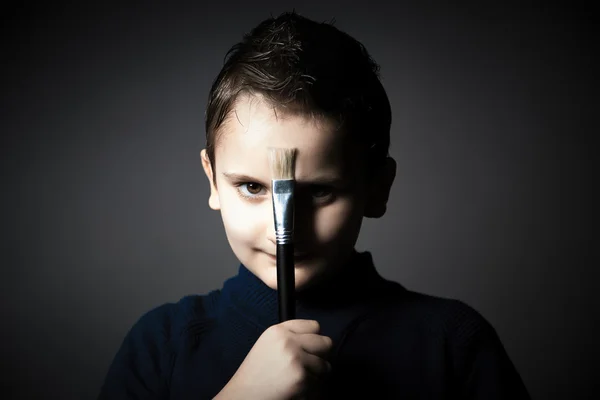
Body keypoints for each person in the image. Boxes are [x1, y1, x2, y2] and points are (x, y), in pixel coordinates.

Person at [98, 11, 531, 399]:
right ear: (212, 180)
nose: (282, 228)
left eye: (321, 192)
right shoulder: (161, 344)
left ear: (377, 188)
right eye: (251, 187)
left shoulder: (452, 344)